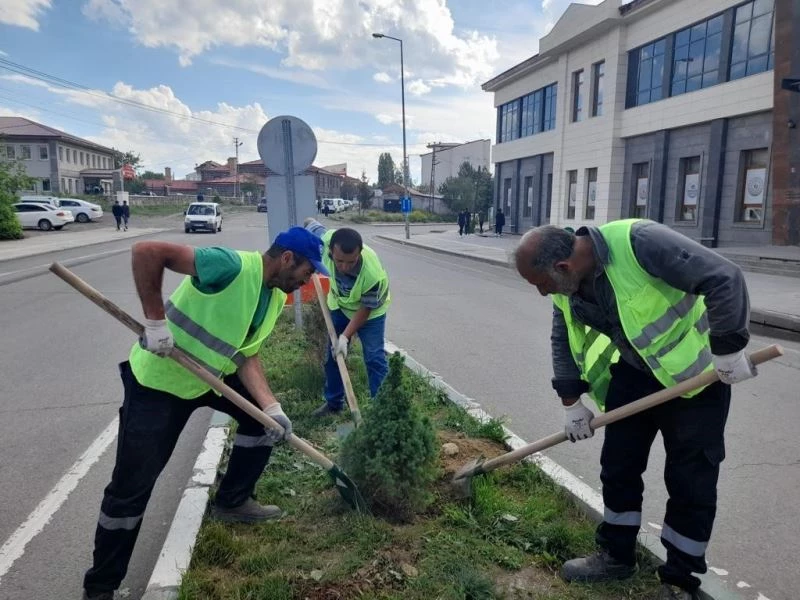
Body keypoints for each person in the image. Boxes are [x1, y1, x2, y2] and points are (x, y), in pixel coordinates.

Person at [81, 227, 329, 600]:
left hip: (208, 377)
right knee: (130, 491)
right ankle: (100, 587)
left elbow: (246, 355)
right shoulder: (229, 266)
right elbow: (147, 251)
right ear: (287, 258)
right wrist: (154, 321)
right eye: (308, 271)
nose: (309, 280)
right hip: (158, 384)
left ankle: (233, 501)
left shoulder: (274, 297)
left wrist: (271, 407)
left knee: (261, 423)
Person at [512, 220, 754, 600]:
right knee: (619, 465)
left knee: (691, 480)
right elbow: (563, 336)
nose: (542, 293)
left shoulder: (639, 243)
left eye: (540, 284)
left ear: (562, 267)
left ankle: (679, 580)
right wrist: (571, 402)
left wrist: (728, 347)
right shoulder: (567, 286)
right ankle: (616, 554)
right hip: (634, 373)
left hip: (696, 376)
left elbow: (724, 277)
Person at [304, 218, 391, 417]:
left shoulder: (372, 273)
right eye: (339, 261)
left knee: (374, 358)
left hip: (370, 314)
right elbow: (310, 223)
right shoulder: (325, 240)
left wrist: (345, 336)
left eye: (351, 262)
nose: (344, 267)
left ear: (359, 253)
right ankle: (334, 404)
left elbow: (365, 309)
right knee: (333, 356)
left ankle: (383, 412)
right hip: (340, 306)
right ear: (331, 251)